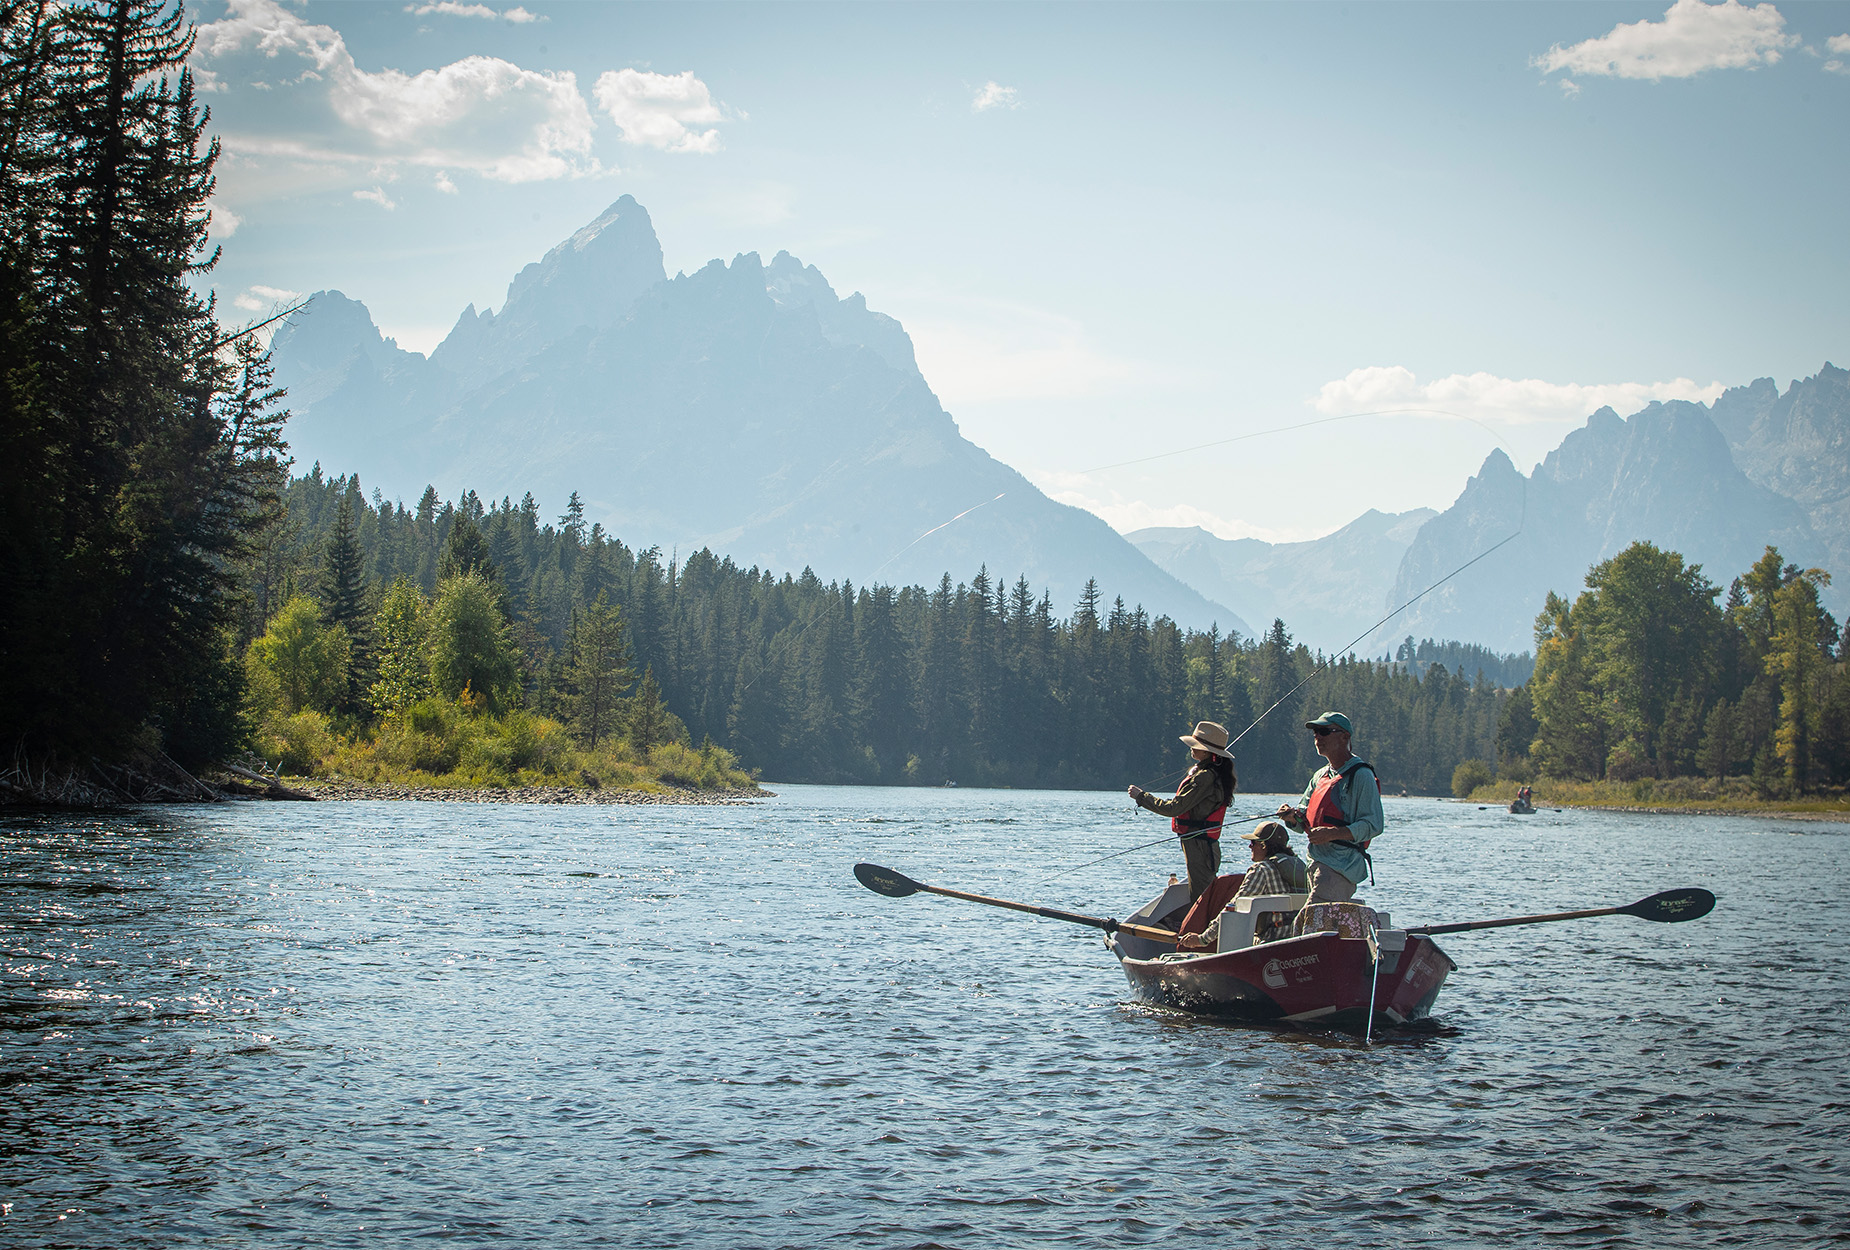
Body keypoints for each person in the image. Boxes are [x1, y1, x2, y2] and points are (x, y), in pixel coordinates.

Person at [1276, 711, 1383, 915]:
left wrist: (1332, 834)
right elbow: (1303, 821)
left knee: (1310, 924)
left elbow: (1373, 825)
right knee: (1317, 925)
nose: (1318, 737)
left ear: (1345, 737)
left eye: (1324, 731)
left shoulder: (1361, 775)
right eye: (1316, 732)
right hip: (1315, 864)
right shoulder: (1320, 776)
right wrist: (1292, 817)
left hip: (1340, 868)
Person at [1127, 721, 1235, 901]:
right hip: (1199, 845)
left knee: (1201, 898)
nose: (1191, 748)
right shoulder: (1208, 773)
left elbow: (1174, 808)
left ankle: (1201, 928)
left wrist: (1142, 797)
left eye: (1196, 745)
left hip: (1200, 846)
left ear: (1208, 752)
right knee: (1201, 895)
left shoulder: (1205, 777)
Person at [1177, 820, 1309, 950]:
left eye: (1253, 843)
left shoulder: (1261, 869)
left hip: (1272, 940)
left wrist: (1204, 939)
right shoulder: (1301, 866)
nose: (1250, 847)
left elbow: (1234, 907)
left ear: (1264, 845)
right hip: (1299, 938)